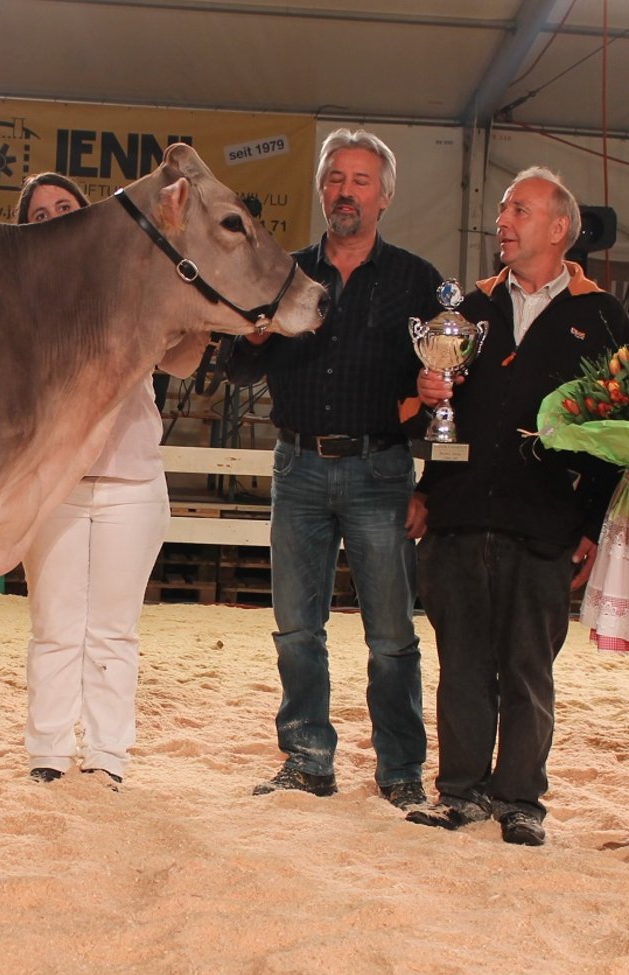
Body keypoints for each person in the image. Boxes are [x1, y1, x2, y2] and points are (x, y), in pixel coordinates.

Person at [405, 167, 628, 846]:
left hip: (546, 523)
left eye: (520, 210)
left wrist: (588, 526)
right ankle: (461, 792)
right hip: (461, 514)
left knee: (530, 666)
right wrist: (429, 480)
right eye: (502, 210)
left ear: (560, 228)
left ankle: (521, 799)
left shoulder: (603, 317)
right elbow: (439, 421)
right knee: (462, 662)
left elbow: (612, 436)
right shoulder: (465, 310)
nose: (503, 221)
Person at [223, 129, 442, 809]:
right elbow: (234, 367)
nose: (345, 191)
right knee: (296, 629)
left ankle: (400, 770)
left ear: (384, 197)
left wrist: (429, 459)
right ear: (322, 190)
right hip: (298, 467)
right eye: (335, 178)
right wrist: (256, 328)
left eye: (360, 180)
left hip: (381, 469)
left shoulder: (417, 280)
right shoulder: (281, 271)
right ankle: (308, 757)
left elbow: (440, 387)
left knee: (391, 637)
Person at [14, 172, 170, 787]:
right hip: (53, 484)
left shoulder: (133, 284)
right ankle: (47, 752)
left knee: (112, 631)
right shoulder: (16, 302)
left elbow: (183, 359)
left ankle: (108, 756)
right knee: (53, 627)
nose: (53, 216)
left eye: (65, 206)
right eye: (40, 213)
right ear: (25, 230)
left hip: (131, 482)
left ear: (89, 215)